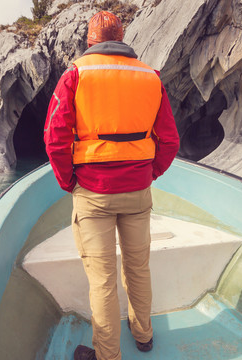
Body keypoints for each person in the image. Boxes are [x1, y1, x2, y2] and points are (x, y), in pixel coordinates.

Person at [44, 10, 180, 360]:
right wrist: (150, 174)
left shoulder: (75, 76)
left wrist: (68, 181)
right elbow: (170, 140)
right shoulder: (151, 77)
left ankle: (107, 355)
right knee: (138, 269)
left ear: (90, 41)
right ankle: (144, 336)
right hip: (137, 192)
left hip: (93, 193)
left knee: (102, 282)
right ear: (121, 37)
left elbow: (55, 138)